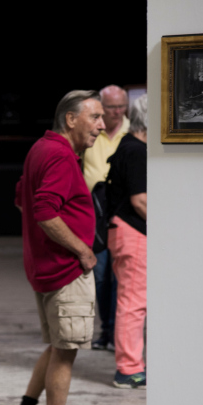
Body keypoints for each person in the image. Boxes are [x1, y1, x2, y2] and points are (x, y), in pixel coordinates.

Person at [3, 90, 104, 405]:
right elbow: (44, 211)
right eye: (94, 117)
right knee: (66, 351)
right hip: (64, 271)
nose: (101, 125)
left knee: (57, 345)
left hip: (45, 267)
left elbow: (21, 198)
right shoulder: (61, 156)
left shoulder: (40, 149)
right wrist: (82, 250)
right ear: (71, 119)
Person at [106, 94, 148, 389]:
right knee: (133, 302)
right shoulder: (137, 150)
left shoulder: (128, 145)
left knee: (131, 300)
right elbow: (140, 200)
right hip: (132, 232)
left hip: (124, 231)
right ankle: (129, 368)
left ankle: (131, 364)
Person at [83, 85, 130, 351]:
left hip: (122, 211)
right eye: (111, 107)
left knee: (120, 276)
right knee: (100, 275)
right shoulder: (92, 130)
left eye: (121, 106)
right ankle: (106, 329)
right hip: (94, 214)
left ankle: (114, 332)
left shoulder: (133, 133)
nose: (116, 112)